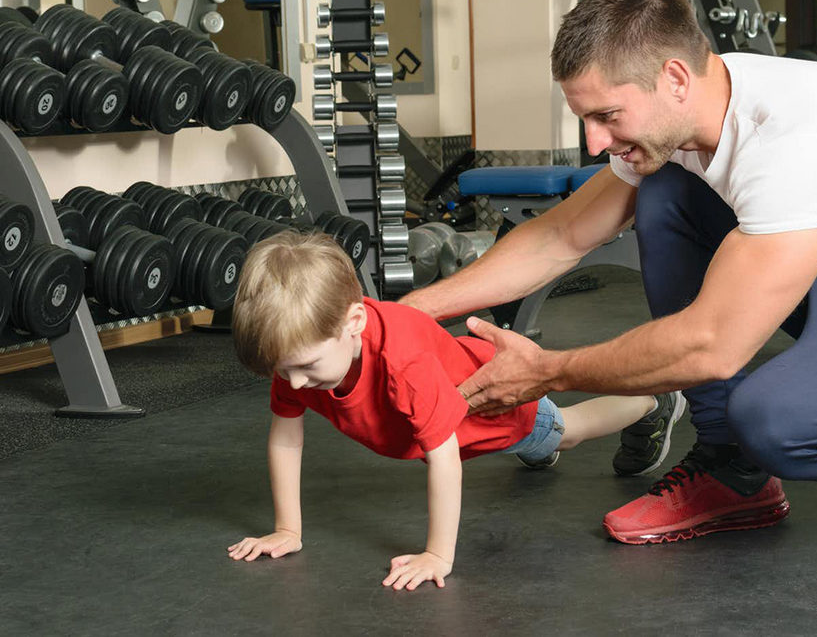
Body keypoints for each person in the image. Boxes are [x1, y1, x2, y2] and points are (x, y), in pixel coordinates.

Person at [399, 0, 817, 552]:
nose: (592, 142)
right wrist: (408, 311)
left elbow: (714, 347)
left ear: (673, 76)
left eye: (607, 116)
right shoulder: (697, 107)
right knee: (664, 187)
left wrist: (548, 372)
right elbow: (561, 235)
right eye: (584, 117)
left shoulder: (790, 140)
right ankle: (732, 471)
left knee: (777, 423)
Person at [224, 231, 683, 590]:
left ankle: (651, 401)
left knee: (565, 430)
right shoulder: (298, 360)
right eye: (283, 371)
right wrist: (287, 529)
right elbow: (286, 436)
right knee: (536, 445)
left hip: (490, 407)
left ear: (354, 324)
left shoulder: (403, 367)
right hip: (442, 417)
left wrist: (437, 556)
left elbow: (442, 456)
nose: (296, 383)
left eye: (305, 367)